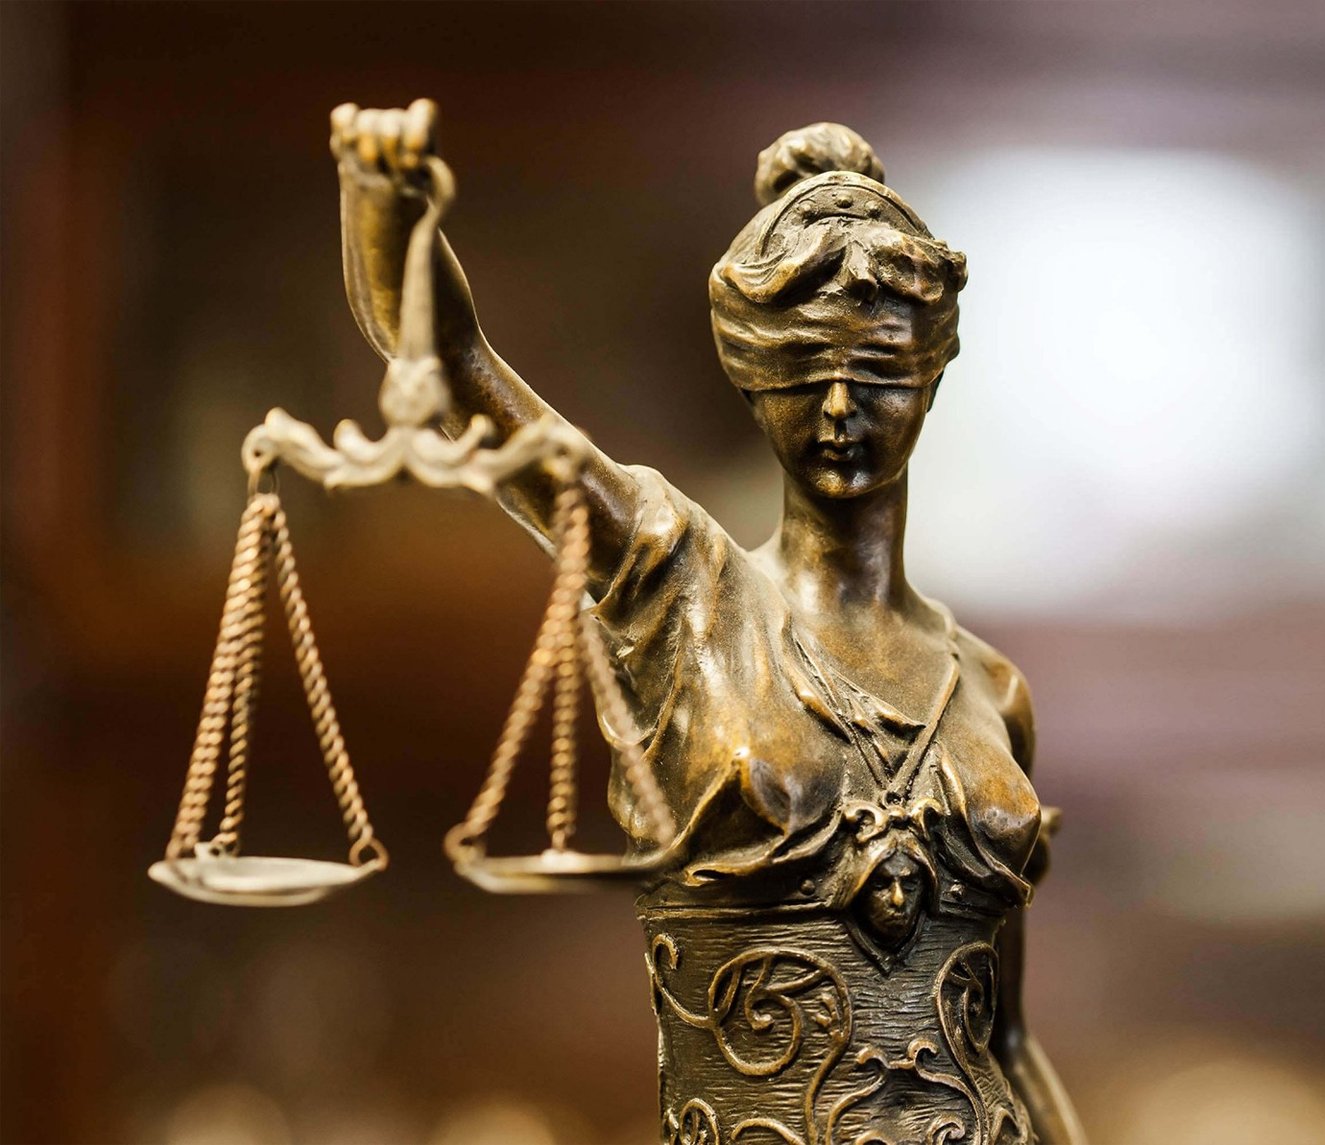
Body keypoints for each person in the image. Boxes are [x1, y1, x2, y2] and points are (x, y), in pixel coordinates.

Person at [332, 103, 1084, 1145]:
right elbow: (459, 373)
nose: (835, 413)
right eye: (799, 378)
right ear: (748, 375)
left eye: (873, 379)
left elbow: (1006, 1040)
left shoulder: (991, 689)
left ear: (929, 376)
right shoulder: (681, 588)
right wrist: (389, 216)